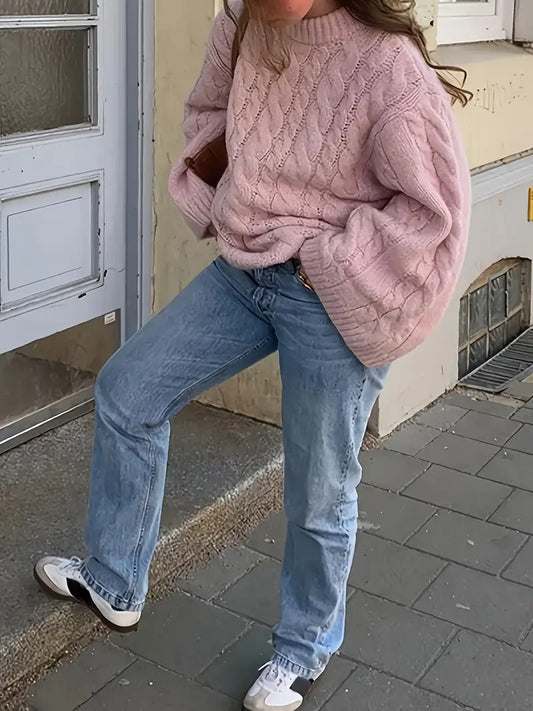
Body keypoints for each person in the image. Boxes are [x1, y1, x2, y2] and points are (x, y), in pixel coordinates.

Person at [34, 1, 471, 709]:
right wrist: (231, 196)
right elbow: (210, 112)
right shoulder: (243, 16)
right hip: (246, 272)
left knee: (320, 488)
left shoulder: (389, 68)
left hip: (328, 293)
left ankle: (304, 647)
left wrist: (330, 261)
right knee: (128, 391)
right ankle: (114, 578)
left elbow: (433, 215)